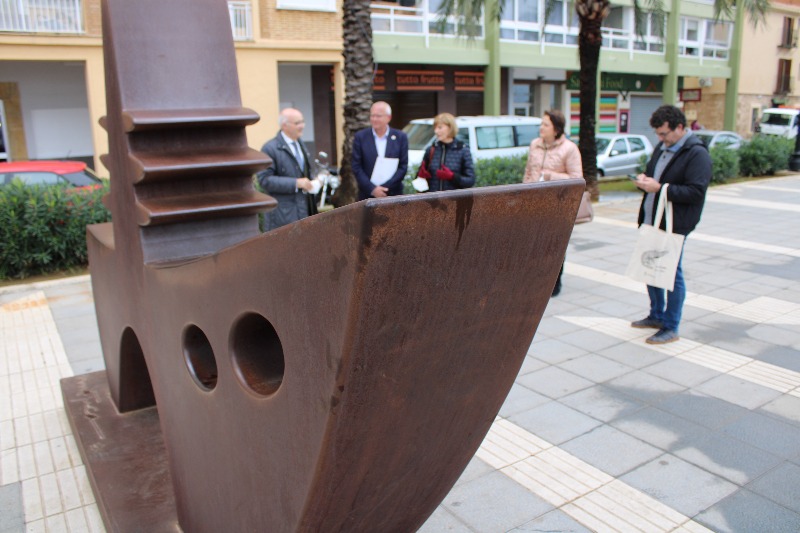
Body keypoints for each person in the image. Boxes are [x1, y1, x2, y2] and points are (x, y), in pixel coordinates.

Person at [631, 104, 712, 345]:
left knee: (671, 275)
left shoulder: (697, 153)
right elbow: (654, 175)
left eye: (664, 133)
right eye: (657, 134)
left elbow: (696, 192)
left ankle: (671, 326)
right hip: (652, 219)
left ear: (679, 127)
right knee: (651, 269)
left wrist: (661, 188)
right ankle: (656, 315)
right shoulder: (662, 147)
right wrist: (645, 181)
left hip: (675, 224)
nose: (660, 138)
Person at [522, 109, 583, 297]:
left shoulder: (569, 148)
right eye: (541, 124)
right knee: (534, 242)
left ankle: (555, 282)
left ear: (556, 129)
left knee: (555, 244)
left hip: (558, 204)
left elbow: (576, 178)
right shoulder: (535, 145)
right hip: (534, 202)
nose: (541, 128)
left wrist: (549, 176)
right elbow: (528, 171)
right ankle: (537, 279)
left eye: (546, 124)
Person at [257, 108, 319, 231]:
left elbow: (304, 170)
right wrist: (296, 183)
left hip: (303, 212)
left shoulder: (300, 144)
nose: (302, 126)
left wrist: (314, 180)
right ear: (284, 125)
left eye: (302, 122)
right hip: (282, 217)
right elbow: (264, 180)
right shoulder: (270, 148)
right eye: (297, 123)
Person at [351, 101, 409, 200]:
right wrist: (373, 189)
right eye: (372, 116)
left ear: (388, 118)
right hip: (367, 195)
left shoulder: (400, 137)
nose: (374, 119)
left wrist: (385, 188)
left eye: (378, 116)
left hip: (393, 194)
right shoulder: (361, 137)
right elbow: (356, 166)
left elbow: (403, 166)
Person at [416, 112, 475, 192]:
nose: (436, 131)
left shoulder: (463, 150)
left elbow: (470, 181)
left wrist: (452, 177)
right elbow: (419, 179)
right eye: (435, 128)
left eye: (440, 128)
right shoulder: (431, 149)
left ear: (450, 128)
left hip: (454, 201)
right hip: (433, 201)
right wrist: (420, 176)